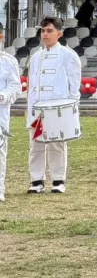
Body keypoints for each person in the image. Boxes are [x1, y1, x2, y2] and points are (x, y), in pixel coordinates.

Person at [26, 17, 81, 194]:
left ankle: (58, 180)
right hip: (37, 108)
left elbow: (74, 84)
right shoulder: (36, 57)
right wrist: (30, 110)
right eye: (43, 31)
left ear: (59, 33)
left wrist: (72, 109)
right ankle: (36, 180)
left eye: (49, 31)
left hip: (59, 108)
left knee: (57, 143)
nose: (45, 34)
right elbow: (32, 86)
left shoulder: (69, 55)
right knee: (36, 145)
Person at [0, 23, 21, 203]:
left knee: (0, 152)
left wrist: (2, 96)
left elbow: (15, 87)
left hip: (0, 114)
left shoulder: (9, 61)